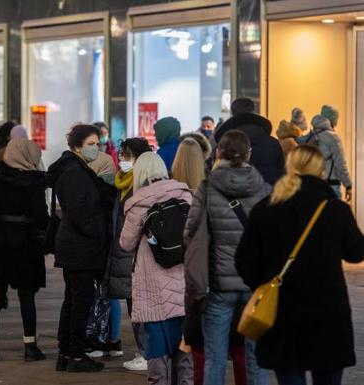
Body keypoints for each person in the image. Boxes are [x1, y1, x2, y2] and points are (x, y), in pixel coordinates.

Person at [235, 145, 364, 385]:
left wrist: (264, 284)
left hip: (282, 312)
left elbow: (244, 260)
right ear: (321, 171)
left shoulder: (267, 208)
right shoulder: (335, 210)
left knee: (289, 377)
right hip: (327, 313)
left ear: (289, 167)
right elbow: (356, 253)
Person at [185, 130, 271, 385]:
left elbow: (190, 232)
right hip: (255, 286)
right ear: (248, 155)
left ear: (218, 153)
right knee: (256, 357)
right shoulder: (264, 189)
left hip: (218, 286)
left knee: (215, 357)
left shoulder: (207, 188)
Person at [119, 152, 193, 385]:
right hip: (184, 284)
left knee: (157, 355)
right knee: (185, 355)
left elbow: (125, 243)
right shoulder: (186, 196)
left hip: (154, 289)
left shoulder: (139, 203)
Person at [46, 124, 108, 373]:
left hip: (75, 244)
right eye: (92, 144)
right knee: (80, 301)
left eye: (98, 144)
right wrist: (98, 233)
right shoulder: (74, 171)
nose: (97, 148)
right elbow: (79, 210)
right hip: (79, 246)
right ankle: (75, 354)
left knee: (74, 299)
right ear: (77, 146)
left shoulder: (74, 168)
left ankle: (67, 351)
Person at [0, 138, 49, 363]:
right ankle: (30, 346)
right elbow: (41, 217)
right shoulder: (35, 182)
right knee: (27, 297)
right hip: (26, 245)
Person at [104, 137, 152, 371]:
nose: (122, 160)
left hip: (134, 253)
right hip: (124, 252)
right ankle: (145, 351)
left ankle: (147, 353)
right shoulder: (123, 182)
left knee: (140, 305)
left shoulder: (143, 184)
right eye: (122, 155)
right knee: (134, 305)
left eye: (127, 155)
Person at [86, 151, 120, 359]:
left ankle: (98, 339)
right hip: (113, 247)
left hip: (97, 247)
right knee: (112, 294)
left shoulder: (95, 190)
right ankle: (114, 340)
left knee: (96, 295)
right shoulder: (117, 188)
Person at [214, 97, 285, 185]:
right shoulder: (272, 143)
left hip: (234, 194)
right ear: (253, 111)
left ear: (232, 113)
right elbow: (281, 173)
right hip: (268, 194)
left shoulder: (226, 143)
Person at [298, 113, 352, 201]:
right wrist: (348, 185)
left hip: (313, 185)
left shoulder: (309, 138)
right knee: (333, 212)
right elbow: (340, 163)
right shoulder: (333, 137)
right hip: (331, 184)